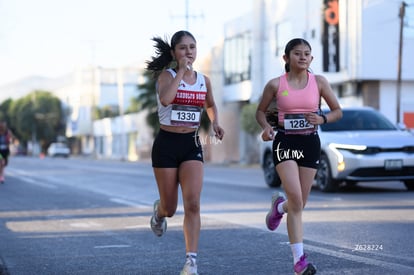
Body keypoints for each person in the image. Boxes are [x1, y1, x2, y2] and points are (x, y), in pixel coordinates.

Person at [256, 38, 342, 275]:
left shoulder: (320, 82)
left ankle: (279, 208)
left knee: (298, 204)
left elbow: (337, 111)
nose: (302, 57)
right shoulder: (275, 84)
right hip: (285, 141)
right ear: (286, 58)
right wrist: (265, 128)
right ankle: (299, 261)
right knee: (295, 197)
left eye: (307, 54)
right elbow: (260, 111)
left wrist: (322, 119)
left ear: (311, 59)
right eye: (297, 53)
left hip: (310, 142)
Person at [146, 30, 225, 275]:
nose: (188, 52)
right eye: (183, 48)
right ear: (174, 53)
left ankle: (191, 262)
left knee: (192, 204)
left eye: (192, 47)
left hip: (191, 144)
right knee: (170, 208)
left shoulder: (204, 80)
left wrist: (215, 122)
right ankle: (159, 213)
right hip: (167, 145)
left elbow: (209, 104)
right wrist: (181, 71)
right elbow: (167, 99)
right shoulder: (165, 77)